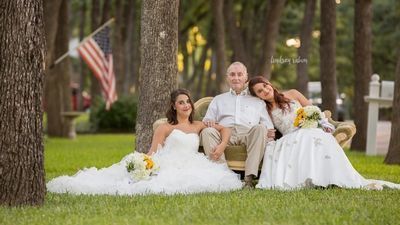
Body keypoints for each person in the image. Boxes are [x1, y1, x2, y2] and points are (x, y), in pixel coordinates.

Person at [47, 89, 242, 195]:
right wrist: (145, 164)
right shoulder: (165, 127)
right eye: (181, 102)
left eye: (188, 101)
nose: (186, 105)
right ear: (174, 106)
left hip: (192, 162)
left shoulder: (198, 125)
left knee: (216, 181)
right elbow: (152, 152)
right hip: (169, 163)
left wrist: (222, 145)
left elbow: (225, 129)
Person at [248, 76, 400, 190]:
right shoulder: (264, 109)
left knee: (319, 136)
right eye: (260, 91)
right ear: (257, 96)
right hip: (289, 136)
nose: (265, 91)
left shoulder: (292, 94)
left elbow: (314, 110)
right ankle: (312, 180)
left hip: (309, 128)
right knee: (304, 137)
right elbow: (267, 127)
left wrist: (318, 121)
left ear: (269, 84)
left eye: (265, 86)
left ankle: (332, 177)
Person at [201, 62, 274, 188]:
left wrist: (269, 133)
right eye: (232, 75)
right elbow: (207, 121)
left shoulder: (257, 101)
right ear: (227, 77)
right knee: (207, 132)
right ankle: (224, 177)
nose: (236, 78)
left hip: (248, 134)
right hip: (224, 134)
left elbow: (268, 126)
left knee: (261, 128)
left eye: (240, 74)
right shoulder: (218, 99)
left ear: (246, 77)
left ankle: (248, 179)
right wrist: (210, 123)